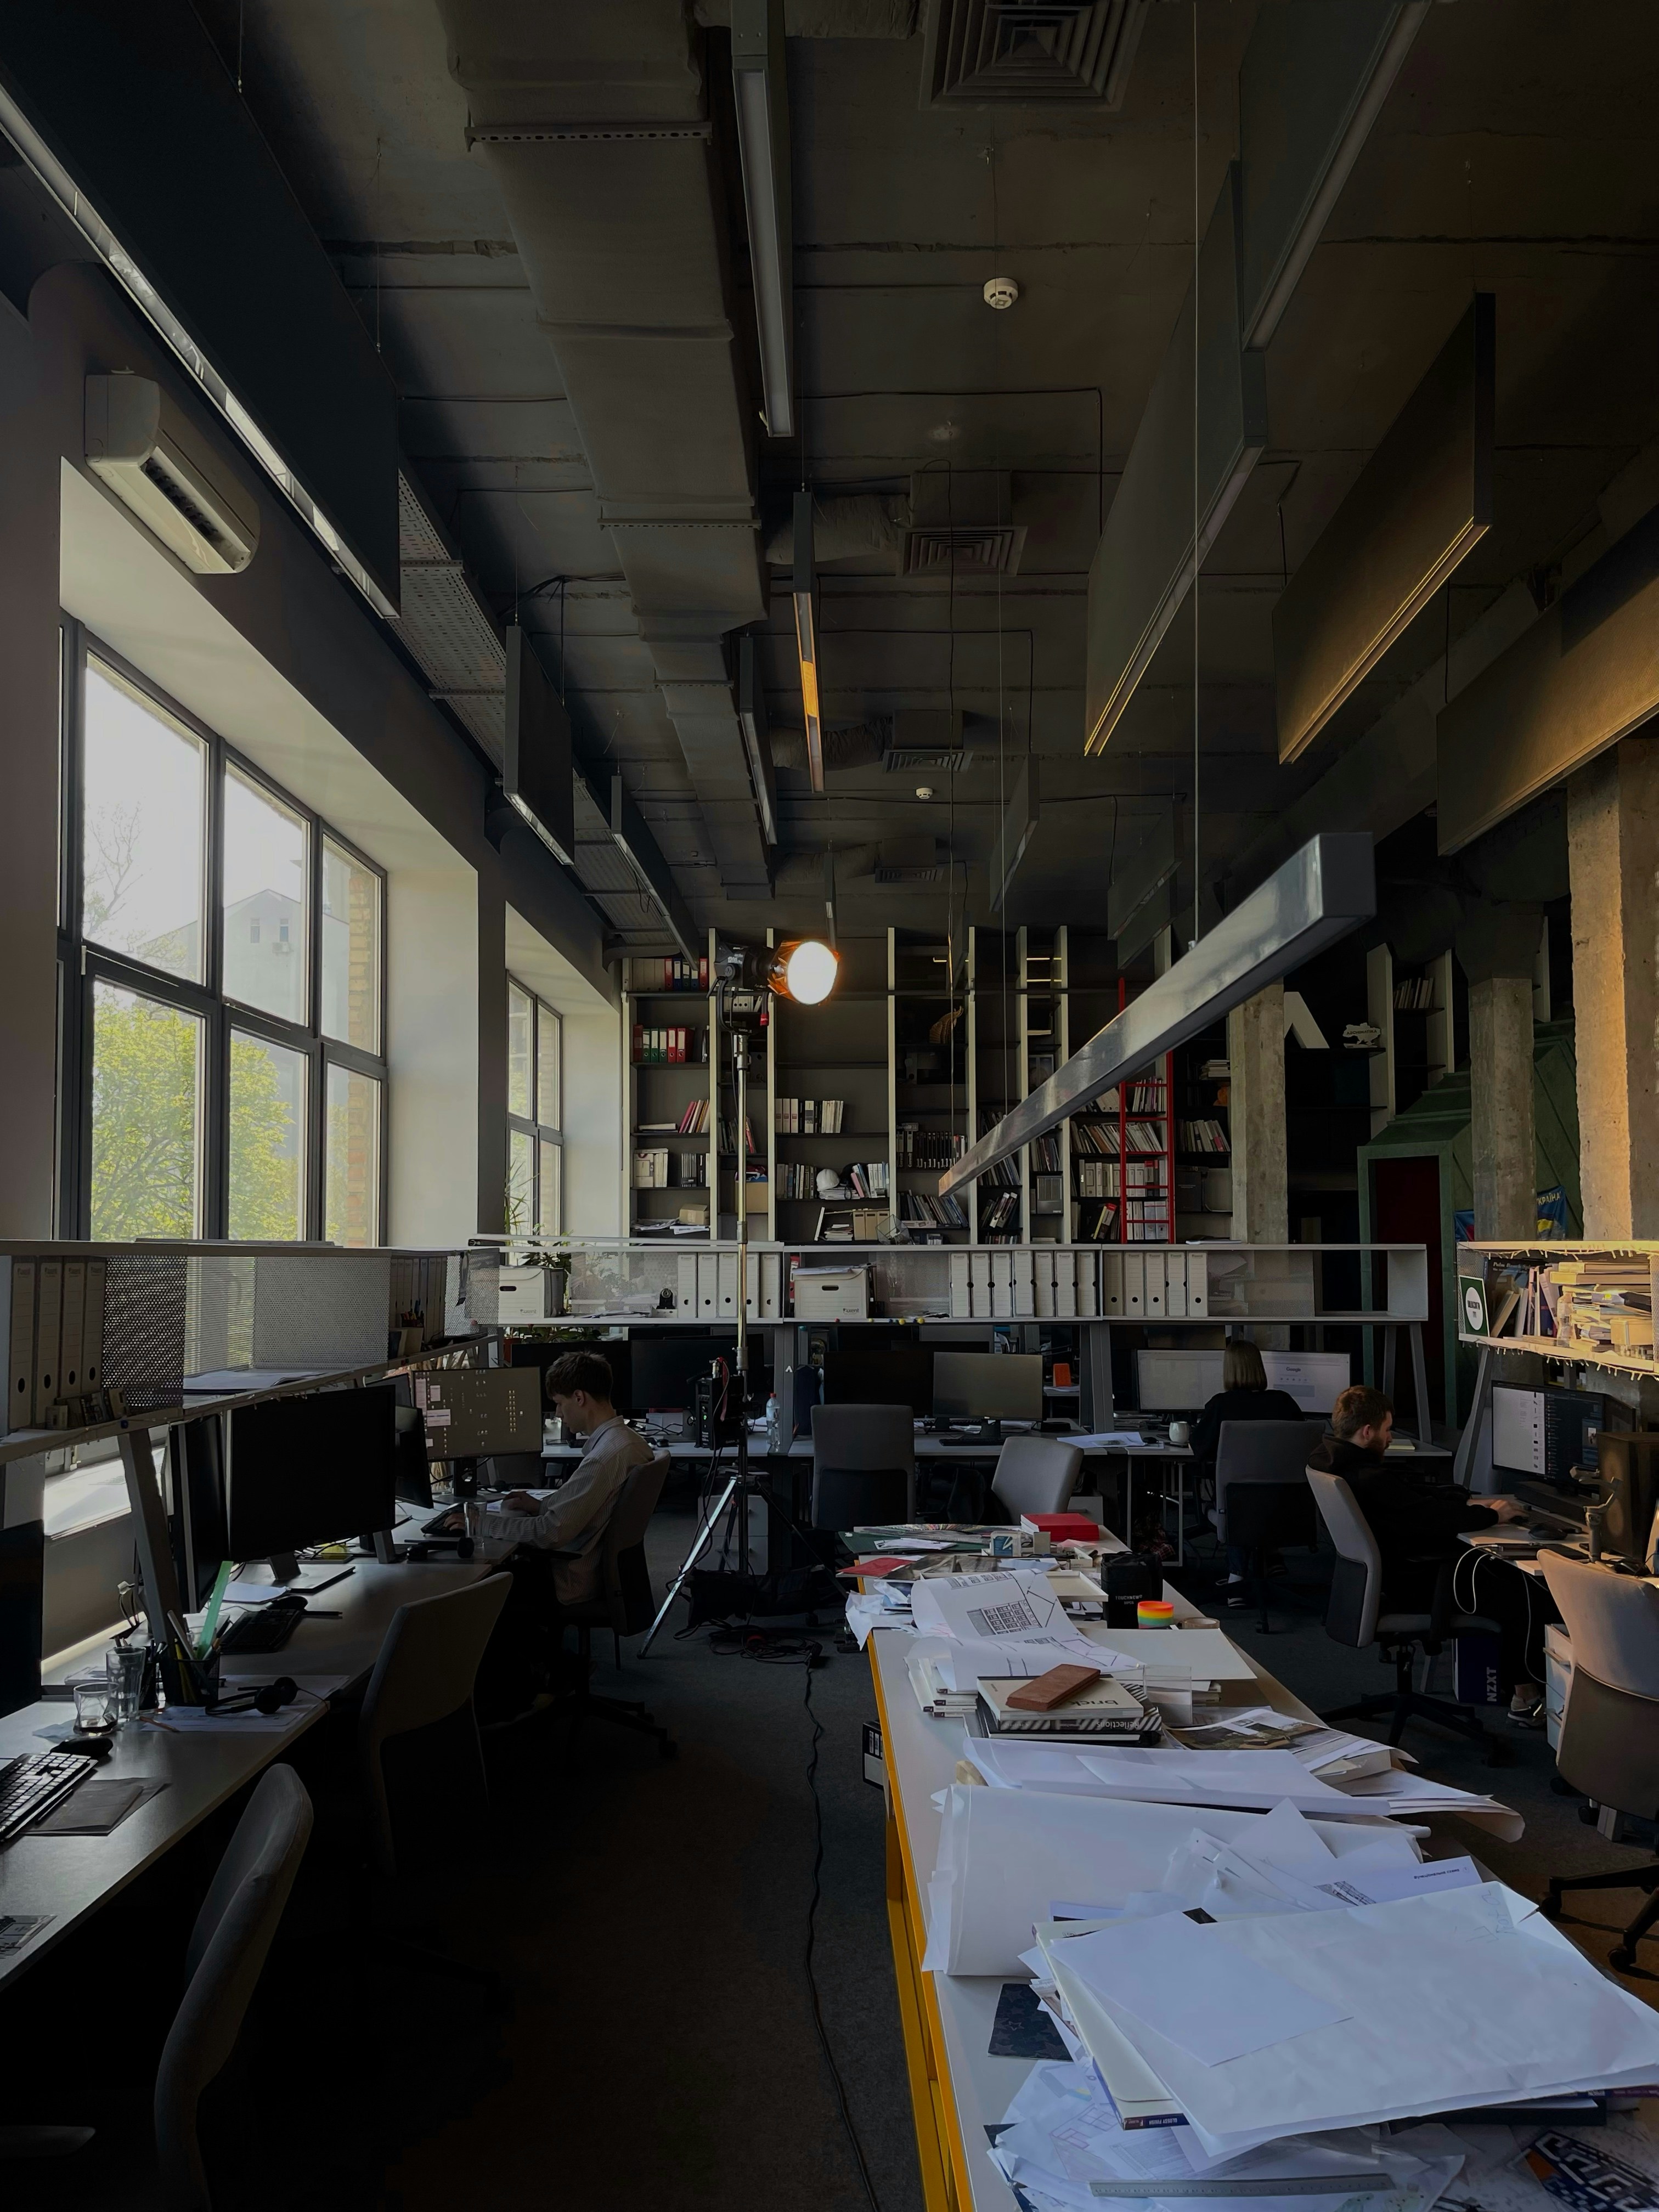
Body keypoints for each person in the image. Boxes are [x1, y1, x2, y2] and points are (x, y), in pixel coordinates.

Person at [432, 1350, 653, 1719]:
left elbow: (550, 1534)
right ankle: (555, 1669)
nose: (558, 1415)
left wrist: (479, 1522)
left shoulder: (604, 1458)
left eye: (560, 1404)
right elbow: (582, 1504)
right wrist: (541, 1503)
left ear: (579, 1398)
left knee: (478, 1590)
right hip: (596, 1564)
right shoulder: (624, 1442)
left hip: (574, 1575)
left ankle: (515, 1694)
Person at [1312, 1385, 1549, 1715]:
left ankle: (1527, 1692)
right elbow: (1429, 1519)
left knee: (1507, 1582)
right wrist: (1493, 1513)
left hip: (1386, 1579)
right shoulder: (1370, 1479)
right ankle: (1526, 1697)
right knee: (1524, 1589)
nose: (1390, 1437)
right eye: (1387, 1430)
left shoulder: (1328, 1461)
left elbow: (1412, 1501)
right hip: (1418, 1583)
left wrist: (1463, 1500)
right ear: (1367, 1432)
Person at [1190, 1341, 1305, 1602]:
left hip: (1238, 1510)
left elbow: (1200, 1450)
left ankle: (1237, 1577)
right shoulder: (1284, 1402)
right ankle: (1271, 1557)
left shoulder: (1221, 1405)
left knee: (1231, 1495)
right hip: (1287, 1509)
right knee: (1258, 1494)